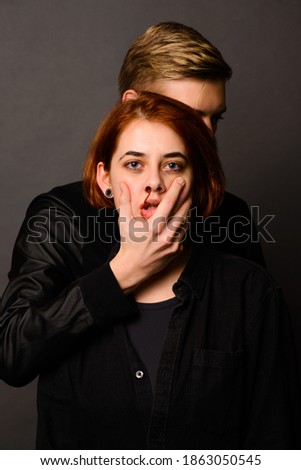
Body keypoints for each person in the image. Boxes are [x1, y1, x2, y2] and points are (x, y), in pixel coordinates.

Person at [1, 92, 300, 449]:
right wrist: (119, 276)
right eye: (134, 164)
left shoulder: (250, 291)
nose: (154, 183)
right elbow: (14, 354)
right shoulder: (68, 277)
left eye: (173, 165)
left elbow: (275, 441)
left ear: (200, 181)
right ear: (104, 178)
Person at [118, 21, 265, 265]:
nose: (207, 134)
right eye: (189, 116)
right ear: (132, 106)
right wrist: (125, 272)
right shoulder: (64, 216)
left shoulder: (232, 216)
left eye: (216, 117)